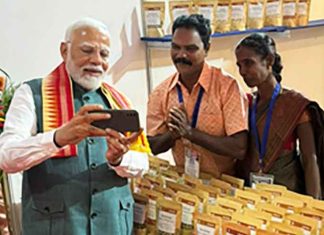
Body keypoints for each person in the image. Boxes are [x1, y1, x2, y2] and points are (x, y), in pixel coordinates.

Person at [0, 18, 150, 235]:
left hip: (112, 225)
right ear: (64, 50)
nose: (96, 60)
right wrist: (57, 138)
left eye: (104, 54)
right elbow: (6, 157)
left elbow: (143, 163)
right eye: (87, 50)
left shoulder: (117, 100)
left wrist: (119, 159)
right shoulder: (31, 93)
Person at [146, 14, 248, 179]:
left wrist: (190, 133)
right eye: (176, 47)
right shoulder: (161, 92)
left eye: (190, 49)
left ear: (207, 48)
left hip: (225, 188)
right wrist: (173, 134)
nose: (181, 55)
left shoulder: (227, 87)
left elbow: (239, 148)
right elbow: (152, 147)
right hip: (184, 187)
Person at [234, 33, 321, 198]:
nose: (242, 71)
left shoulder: (295, 105)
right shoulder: (246, 103)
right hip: (250, 195)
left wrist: (315, 208)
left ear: (269, 60)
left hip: (287, 195)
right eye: (239, 65)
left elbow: (310, 160)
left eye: (248, 63)